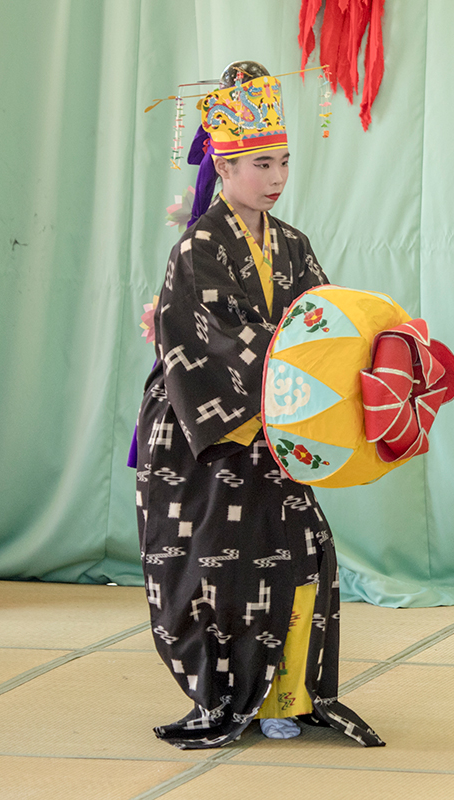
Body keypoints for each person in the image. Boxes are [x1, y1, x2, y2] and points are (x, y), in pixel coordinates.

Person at [135, 64, 384, 749]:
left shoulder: (292, 243)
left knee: (302, 555)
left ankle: (290, 694)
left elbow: (322, 322)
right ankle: (225, 693)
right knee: (216, 565)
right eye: (259, 163)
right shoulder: (200, 246)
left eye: (282, 162)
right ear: (225, 161)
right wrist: (296, 374)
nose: (275, 177)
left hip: (275, 426)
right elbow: (222, 340)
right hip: (206, 429)